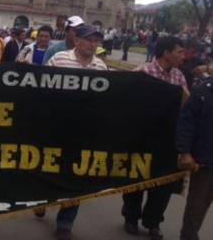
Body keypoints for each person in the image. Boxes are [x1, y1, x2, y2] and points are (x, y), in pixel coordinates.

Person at [122, 36, 188, 240]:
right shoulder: (142, 73)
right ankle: (131, 218)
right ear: (166, 53)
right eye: (179, 52)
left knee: (162, 184)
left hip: (168, 140)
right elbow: (127, 103)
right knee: (136, 179)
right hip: (142, 137)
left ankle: (153, 221)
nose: (183, 57)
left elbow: (187, 105)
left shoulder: (179, 77)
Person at [46, 25, 108, 240]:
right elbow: (43, 87)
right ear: (78, 40)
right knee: (50, 169)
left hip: (84, 131)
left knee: (76, 175)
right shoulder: (59, 59)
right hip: (57, 127)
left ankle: (65, 223)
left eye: (96, 41)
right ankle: (43, 200)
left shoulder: (101, 67)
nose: (93, 44)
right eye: (89, 40)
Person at [177, 77, 213, 240]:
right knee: (198, 203)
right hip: (205, 161)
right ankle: (188, 235)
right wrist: (185, 152)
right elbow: (187, 122)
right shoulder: (202, 91)